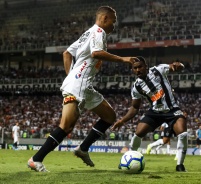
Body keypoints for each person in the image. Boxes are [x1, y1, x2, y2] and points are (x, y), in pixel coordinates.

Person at [27, 6, 136, 172]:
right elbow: (96, 53)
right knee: (66, 127)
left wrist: (70, 76)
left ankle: (83, 149)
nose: (115, 24)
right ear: (105, 18)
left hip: (83, 86)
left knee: (109, 116)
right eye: (113, 21)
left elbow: (66, 54)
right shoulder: (99, 32)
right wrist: (123, 59)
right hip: (78, 85)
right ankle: (36, 159)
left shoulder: (88, 33)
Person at [111, 56, 188, 172]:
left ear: (145, 66)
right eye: (135, 68)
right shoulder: (136, 86)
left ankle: (180, 165)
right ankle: (127, 159)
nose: (138, 70)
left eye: (140, 67)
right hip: (155, 112)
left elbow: (175, 67)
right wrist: (122, 120)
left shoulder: (158, 70)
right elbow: (135, 107)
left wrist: (179, 65)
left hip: (172, 110)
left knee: (183, 134)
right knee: (138, 134)